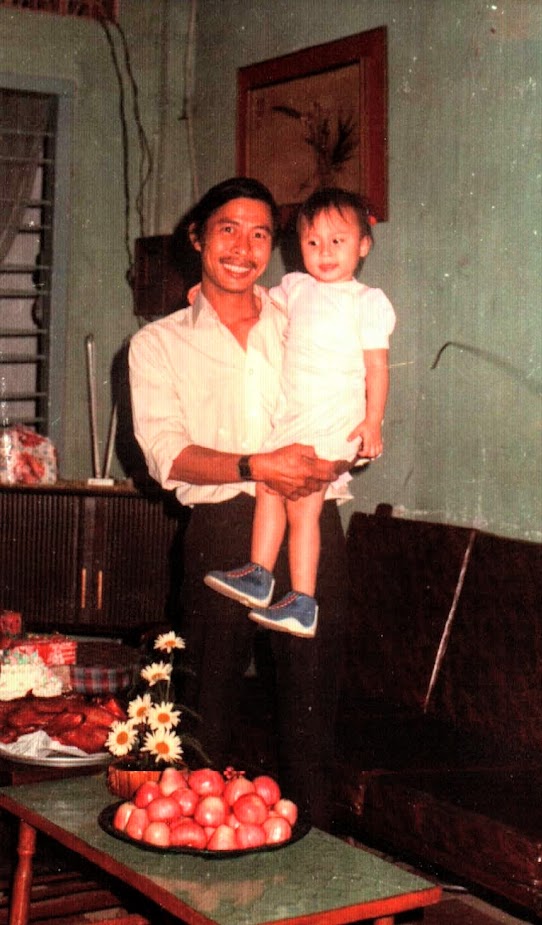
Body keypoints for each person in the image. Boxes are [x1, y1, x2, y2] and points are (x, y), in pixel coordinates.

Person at [128, 177, 349, 829]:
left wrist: (339, 455)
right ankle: (194, 868)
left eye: (259, 234)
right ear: (198, 237)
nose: (243, 247)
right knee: (206, 716)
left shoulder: (302, 321)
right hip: (224, 530)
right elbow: (167, 455)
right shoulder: (157, 344)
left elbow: (350, 397)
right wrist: (257, 464)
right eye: (228, 229)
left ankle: (311, 870)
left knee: (311, 717)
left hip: (311, 523)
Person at [204, 187, 396, 638]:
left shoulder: (366, 301)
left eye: (337, 241)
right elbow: (256, 299)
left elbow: (377, 368)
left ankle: (303, 601)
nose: (324, 253)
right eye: (312, 242)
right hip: (293, 417)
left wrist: (373, 421)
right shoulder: (296, 287)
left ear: (363, 246)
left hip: (332, 423)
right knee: (269, 487)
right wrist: (207, 294)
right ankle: (259, 574)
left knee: (304, 506)